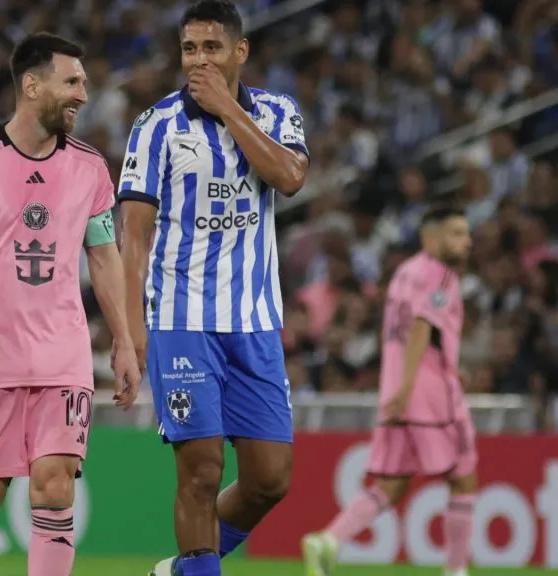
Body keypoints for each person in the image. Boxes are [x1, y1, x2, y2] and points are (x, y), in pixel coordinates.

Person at [0, 32, 142, 576]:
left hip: (61, 358)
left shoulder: (91, 167)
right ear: (31, 84)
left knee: (53, 487)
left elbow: (104, 256)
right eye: (72, 82)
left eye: (84, 83)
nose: (83, 95)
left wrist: (122, 340)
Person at [117, 1, 310, 574]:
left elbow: (291, 177)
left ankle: (179, 570)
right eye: (189, 49)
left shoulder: (277, 112)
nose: (199, 60)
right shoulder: (155, 127)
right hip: (181, 321)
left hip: (253, 324)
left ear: (240, 51)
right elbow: (133, 237)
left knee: (270, 481)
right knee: (200, 472)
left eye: (211, 48)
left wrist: (227, 109)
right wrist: (131, 332)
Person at [302, 207, 476, 576]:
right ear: (432, 238)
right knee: (464, 476)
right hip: (428, 395)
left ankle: (328, 541)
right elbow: (420, 327)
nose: (467, 242)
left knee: (393, 483)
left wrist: (398, 387)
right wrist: (413, 385)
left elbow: (399, 334)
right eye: (457, 233)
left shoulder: (404, 273)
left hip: (396, 389)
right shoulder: (441, 276)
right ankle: (456, 570)